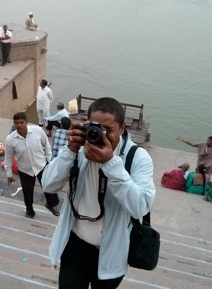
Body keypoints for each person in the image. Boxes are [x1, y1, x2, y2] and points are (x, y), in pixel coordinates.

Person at [41, 97, 155, 287]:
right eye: (95, 128)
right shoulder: (77, 149)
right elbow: (48, 185)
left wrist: (111, 164)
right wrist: (69, 151)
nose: (100, 135)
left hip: (111, 252)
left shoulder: (137, 157)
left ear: (122, 128)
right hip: (74, 246)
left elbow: (141, 207)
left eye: (108, 130)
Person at [5, 112, 60, 219]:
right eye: (17, 123)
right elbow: (8, 158)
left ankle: (51, 204)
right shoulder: (10, 139)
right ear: (14, 123)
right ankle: (30, 210)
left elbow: (47, 146)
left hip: (42, 166)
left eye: (21, 122)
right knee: (27, 192)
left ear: (26, 122)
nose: (19, 125)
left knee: (49, 187)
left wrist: (50, 162)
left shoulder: (38, 131)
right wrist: (9, 174)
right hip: (25, 169)